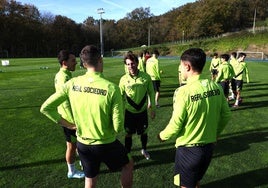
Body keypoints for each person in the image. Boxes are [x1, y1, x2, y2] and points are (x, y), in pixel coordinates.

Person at [40, 45, 133, 188]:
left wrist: (68, 124)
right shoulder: (111, 88)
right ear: (100, 60)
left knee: (90, 179)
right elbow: (118, 126)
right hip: (105, 142)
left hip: (83, 144)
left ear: (83, 64)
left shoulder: (72, 83)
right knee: (128, 164)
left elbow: (46, 108)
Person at [158, 48, 231, 188]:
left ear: (187, 66)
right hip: (208, 149)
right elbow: (226, 114)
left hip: (188, 150)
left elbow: (176, 123)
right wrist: (216, 134)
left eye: (180, 65)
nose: (179, 68)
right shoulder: (215, 87)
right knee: (195, 181)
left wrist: (162, 136)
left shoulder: (183, 92)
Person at [119, 53, 156, 160]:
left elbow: (151, 93)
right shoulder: (123, 79)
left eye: (133, 63)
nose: (131, 66)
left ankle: (144, 149)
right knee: (128, 134)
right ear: (126, 65)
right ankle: (128, 153)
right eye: (128, 64)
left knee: (144, 132)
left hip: (142, 112)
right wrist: (120, 112)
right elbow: (120, 97)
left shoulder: (146, 77)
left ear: (137, 63)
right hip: (129, 113)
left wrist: (153, 108)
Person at [55, 50, 84, 179]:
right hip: (68, 119)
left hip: (68, 116)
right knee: (71, 146)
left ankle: (82, 161)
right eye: (73, 60)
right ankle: (71, 171)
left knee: (76, 144)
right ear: (64, 62)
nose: (76, 62)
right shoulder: (63, 77)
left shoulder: (65, 74)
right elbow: (65, 101)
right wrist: (72, 122)